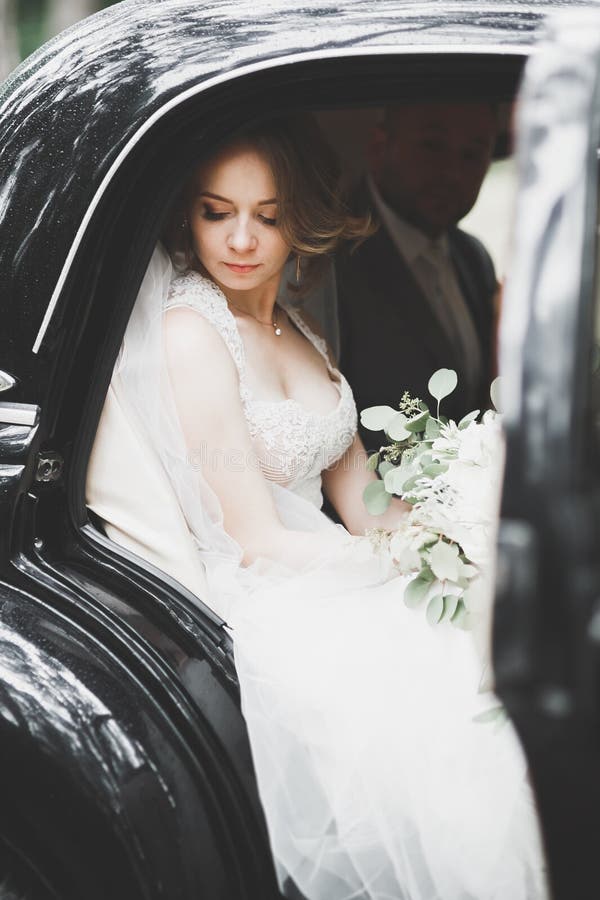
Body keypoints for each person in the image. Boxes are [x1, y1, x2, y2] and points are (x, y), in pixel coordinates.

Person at [96, 116, 547, 900]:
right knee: (445, 688)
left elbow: (366, 503)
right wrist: (391, 561)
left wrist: (458, 529)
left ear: (299, 218)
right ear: (188, 217)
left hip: (334, 569)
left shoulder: (298, 328)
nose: (240, 239)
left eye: (266, 216)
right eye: (216, 212)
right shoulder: (191, 331)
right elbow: (256, 538)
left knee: (496, 635)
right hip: (272, 595)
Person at [337, 102, 499, 447]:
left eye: (473, 154)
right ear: (380, 148)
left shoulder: (474, 259)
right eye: (432, 146)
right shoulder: (329, 258)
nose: (453, 172)